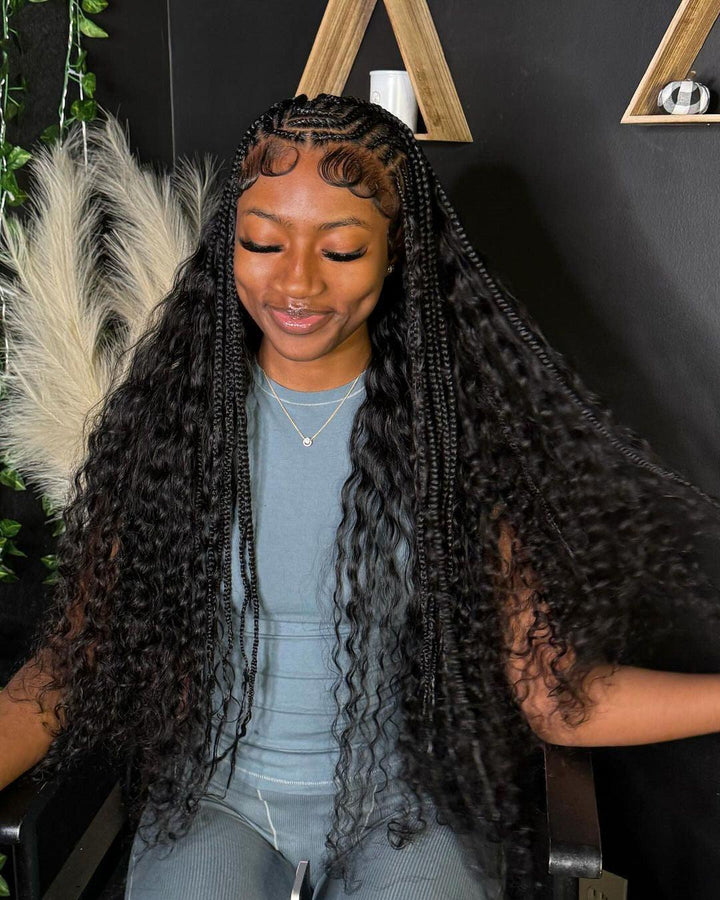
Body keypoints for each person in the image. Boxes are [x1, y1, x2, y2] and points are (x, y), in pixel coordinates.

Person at [1, 92, 720, 899]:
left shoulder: (456, 445)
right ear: (227, 242)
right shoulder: (171, 433)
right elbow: (72, 662)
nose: (296, 282)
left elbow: (555, 698)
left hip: (406, 808)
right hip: (214, 804)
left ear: (396, 249)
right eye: (263, 241)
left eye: (340, 250)